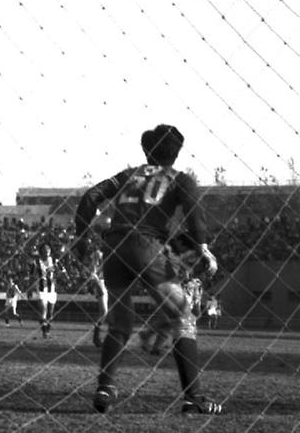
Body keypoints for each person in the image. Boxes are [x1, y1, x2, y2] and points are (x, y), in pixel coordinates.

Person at [74, 123, 221, 416]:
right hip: (147, 246)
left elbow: (90, 197)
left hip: (114, 249)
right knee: (183, 317)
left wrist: (81, 238)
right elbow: (194, 212)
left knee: (120, 325)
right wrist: (202, 247)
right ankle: (194, 397)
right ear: (177, 153)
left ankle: (105, 389)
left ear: (148, 150)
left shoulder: (129, 175)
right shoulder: (180, 179)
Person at [30, 241, 57, 338]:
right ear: (41, 251)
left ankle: (47, 330)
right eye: (44, 249)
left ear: (50, 250)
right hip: (41, 289)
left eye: (48, 249)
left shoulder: (55, 261)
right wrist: (30, 288)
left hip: (52, 290)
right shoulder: (36, 262)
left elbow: (63, 272)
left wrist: (61, 275)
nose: (46, 250)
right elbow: (32, 276)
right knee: (43, 311)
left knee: (50, 314)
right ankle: (44, 332)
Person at [87, 244, 109, 347]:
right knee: (104, 311)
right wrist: (95, 282)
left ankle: (99, 337)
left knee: (105, 312)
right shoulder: (98, 254)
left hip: (111, 283)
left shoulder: (114, 252)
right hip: (100, 282)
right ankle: (96, 336)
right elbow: (93, 269)